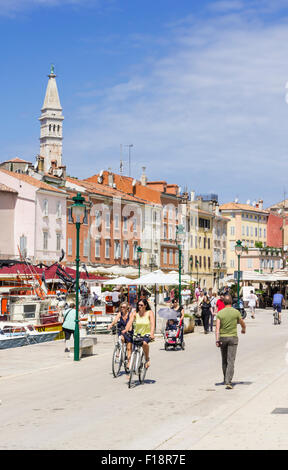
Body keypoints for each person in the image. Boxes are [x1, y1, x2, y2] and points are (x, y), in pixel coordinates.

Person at [215, 294, 246, 389]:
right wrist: (243, 329)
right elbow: (242, 322)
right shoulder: (236, 312)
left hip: (223, 338)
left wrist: (217, 339)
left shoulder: (220, 313)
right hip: (233, 338)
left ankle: (225, 378)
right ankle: (228, 381)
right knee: (231, 360)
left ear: (223, 302)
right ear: (232, 302)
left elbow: (217, 328)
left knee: (224, 360)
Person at [122, 299, 155, 369]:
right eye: (138, 305)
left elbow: (152, 324)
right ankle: (131, 363)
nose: (139, 306)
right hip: (137, 334)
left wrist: (152, 334)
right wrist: (126, 329)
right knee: (133, 347)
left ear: (145, 306)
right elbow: (130, 322)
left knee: (145, 343)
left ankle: (147, 359)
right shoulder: (135, 313)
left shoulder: (150, 312)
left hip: (146, 334)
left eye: (141, 305)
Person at [108, 302, 133, 369]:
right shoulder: (120, 313)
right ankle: (119, 350)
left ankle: (129, 362)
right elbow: (115, 320)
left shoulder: (130, 314)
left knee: (129, 348)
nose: (122, 308)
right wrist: (111, 325)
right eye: (121, 307)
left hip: (129, 331)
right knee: (121, 338)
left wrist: (129, 328)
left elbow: (131, 322)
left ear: (127, 308)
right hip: (122, 330)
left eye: (124, 307)